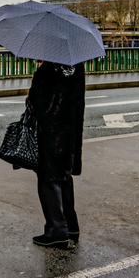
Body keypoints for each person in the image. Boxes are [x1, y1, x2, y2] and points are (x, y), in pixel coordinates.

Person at [25, 60, 86, 249]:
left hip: (50, 133)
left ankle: (56, 231)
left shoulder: (46, 69)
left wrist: (36, 77)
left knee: (48, 179)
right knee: (64, 177)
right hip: (70, 130)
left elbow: (36, 103)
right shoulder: (78, 66)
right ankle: (71, 227)